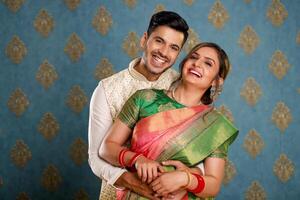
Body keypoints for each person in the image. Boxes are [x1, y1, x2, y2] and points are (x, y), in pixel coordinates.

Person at [100, 42, 239, 199]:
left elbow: (213, 185)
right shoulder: (145, 99)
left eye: (208, 63)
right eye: (193, 57)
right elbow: (107, 148)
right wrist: (137, 159)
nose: (197, 63)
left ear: (216, 81)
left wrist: (185, 179)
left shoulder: (215, 125)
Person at [88, 11, 197, 199]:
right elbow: (95, 158)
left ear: (178, 53)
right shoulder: (107, 89)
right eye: (159, 41)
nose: (163, 52)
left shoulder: (182, 85)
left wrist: (184, 179)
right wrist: (137, 184)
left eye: (173, 47)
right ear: (144, 39)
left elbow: (199, 146)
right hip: (118, 194)